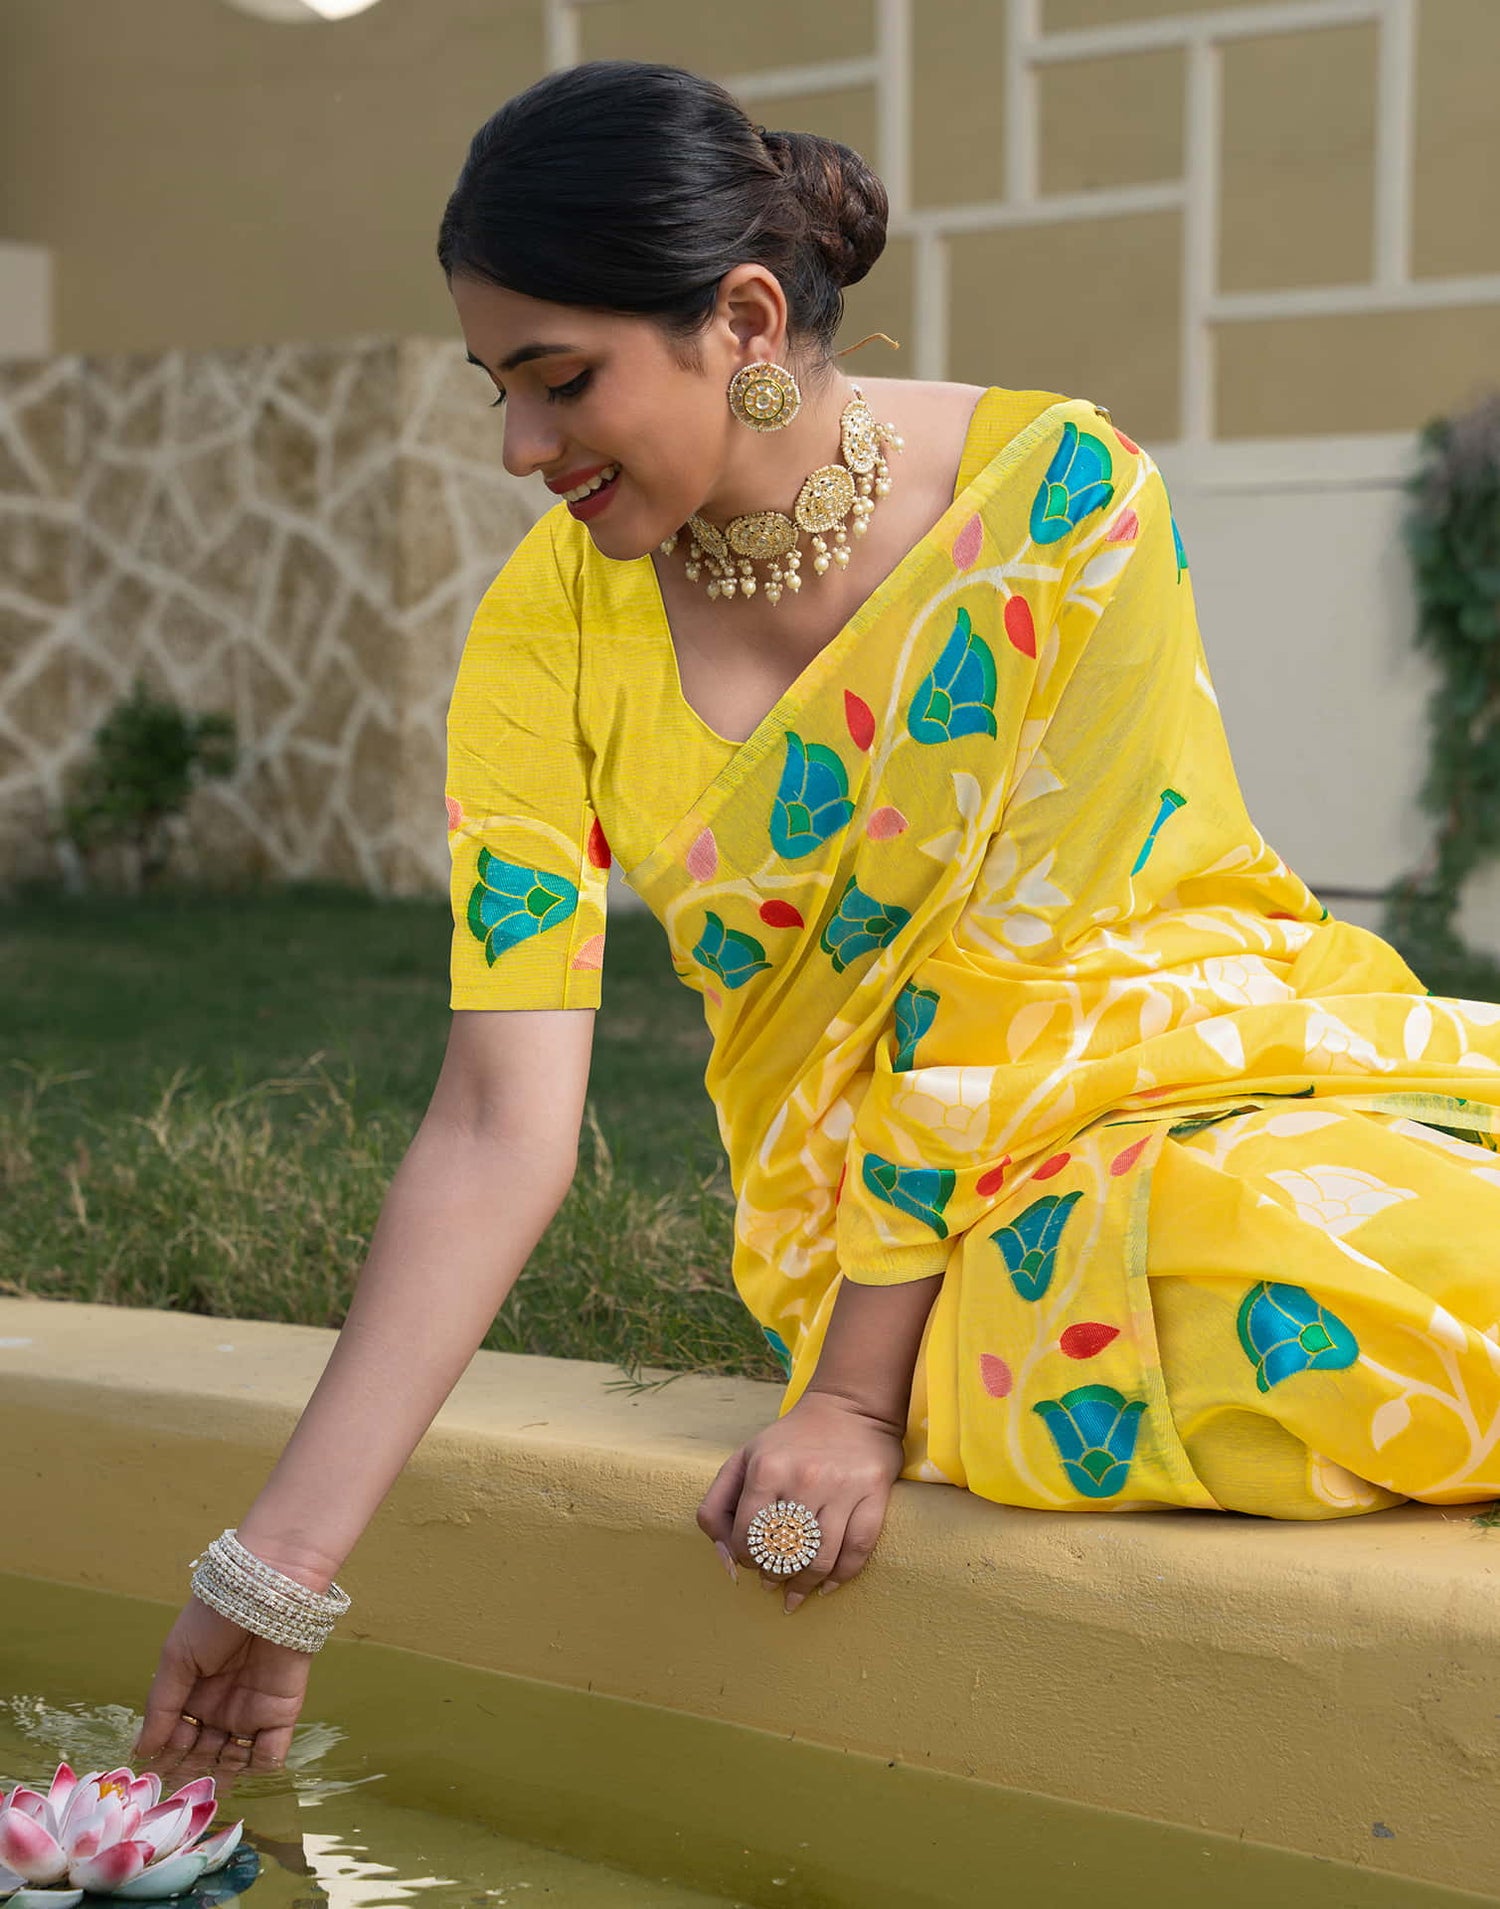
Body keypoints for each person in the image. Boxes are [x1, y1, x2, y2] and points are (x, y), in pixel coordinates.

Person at [134, 58, 1500, 1776]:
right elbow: (499, 1122)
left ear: (748, 317)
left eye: (561, 382)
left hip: (1179, 1064)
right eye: (496, 387)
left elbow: (1028, 977)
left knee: (1385, 1229)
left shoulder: (1061, 501)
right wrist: (277, 1574)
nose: (518, 448)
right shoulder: (545, 639)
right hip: (899, 1232)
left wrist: (854, 1406)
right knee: (1307, 1300)